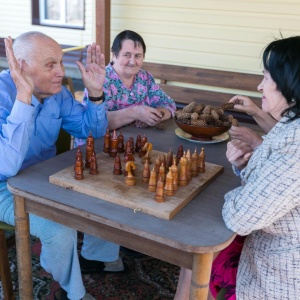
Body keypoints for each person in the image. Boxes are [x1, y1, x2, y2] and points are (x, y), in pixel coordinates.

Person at [175, 35, 300, 300]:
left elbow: (240, 217)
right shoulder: (291, 127)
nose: (259, 85)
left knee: (198, 256)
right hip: (269, 243)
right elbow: (276, 181)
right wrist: (246, 169)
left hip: (279, 276)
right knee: (195, 256)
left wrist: (240, 191)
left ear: (288, 82)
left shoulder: (295, 146)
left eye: (266, 77)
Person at [0, 31, 117, 300]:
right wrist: (23, 98)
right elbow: (6, 166)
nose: (61, 72)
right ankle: (72, 294)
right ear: (21, 66)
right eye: (51, 64)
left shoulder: (58, 94)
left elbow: (92, 132)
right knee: (59, 227)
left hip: (44, 180)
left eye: (61, 63)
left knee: (108, 192)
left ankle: (96, 256)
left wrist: (96, 94)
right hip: (4, 187)